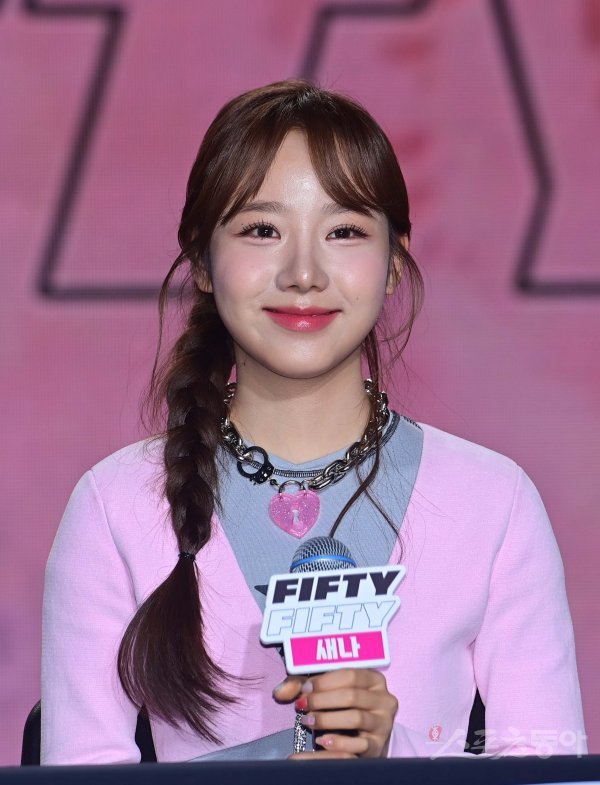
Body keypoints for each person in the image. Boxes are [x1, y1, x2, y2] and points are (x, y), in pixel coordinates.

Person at [41, 80, 586, 764]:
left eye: (344, 232)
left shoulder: (493, 500)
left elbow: (549, 768)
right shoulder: (115, 506)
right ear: (203, 260)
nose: (304, 273)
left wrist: (395, 757)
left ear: (394, 261)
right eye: (263, 231)